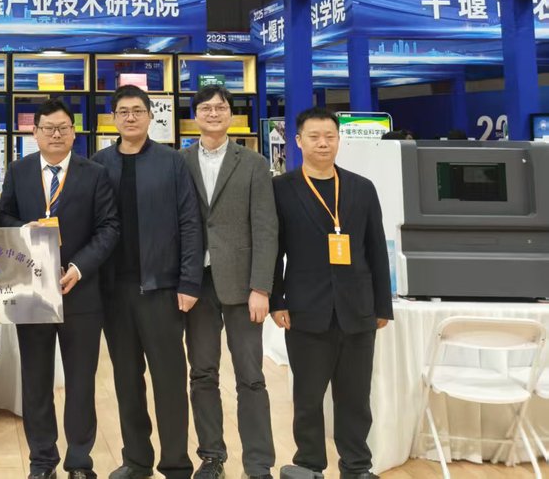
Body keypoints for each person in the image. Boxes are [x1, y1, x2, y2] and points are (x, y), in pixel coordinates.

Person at [0, 97, 119, 479]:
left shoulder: (95, 173)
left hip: (80, 293)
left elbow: (109, 227)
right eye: (48, 128)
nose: (55, 134)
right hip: (31, 292)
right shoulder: (18, 171)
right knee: (36, 381)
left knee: (81, 382)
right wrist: (23, 230)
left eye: (63, 128)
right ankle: (42, 461)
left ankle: (80, 462)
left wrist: (79, 267)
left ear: (73, 132)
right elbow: (3, 217)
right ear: (34, 132)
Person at [271, 108, 393, 479]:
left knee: (355, 397)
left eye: (330, 136)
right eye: (314, 137)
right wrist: (277, 300)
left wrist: (382, 305)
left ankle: (356, 466)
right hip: (305, 308)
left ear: (338, 140)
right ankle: (309, 464)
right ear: (298, 141)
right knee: (308, 397)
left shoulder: (361, 188)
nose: (323, 143)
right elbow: (273, 250)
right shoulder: (281, 189)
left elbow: (376, 250)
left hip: (358, 309)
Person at [92, 86, 203, 479]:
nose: (131, 117)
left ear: (150, 116)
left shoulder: (172, 162)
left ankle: (176, 463)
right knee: (126, 381)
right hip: (113, 291)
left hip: (162, 290)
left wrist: (189, 282)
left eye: (138, 110)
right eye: (123, 111)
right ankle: (136, 460)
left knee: (169, 380)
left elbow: (190, 223)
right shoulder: (99, 164)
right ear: (113, 118)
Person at [180, 85, 278, 479]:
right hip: (196, 284)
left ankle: (258, 463)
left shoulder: (253, 163)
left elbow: (266, 228)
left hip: (243, 286)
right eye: (205, 108)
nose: (213, 113)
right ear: (195, 116)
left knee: (251, 377)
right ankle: (212, 458)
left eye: (220, 107)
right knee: (202, 374)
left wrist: (262, 287)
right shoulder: (179, 161)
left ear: (231, 115)